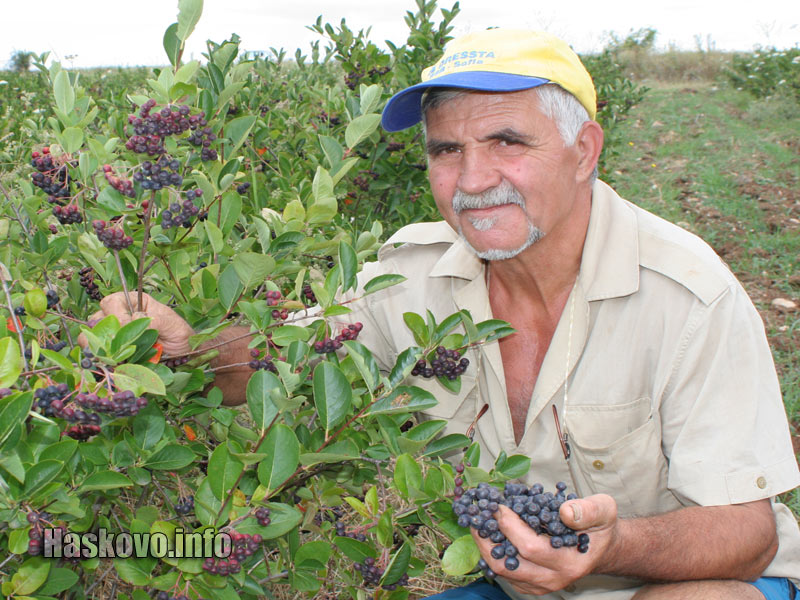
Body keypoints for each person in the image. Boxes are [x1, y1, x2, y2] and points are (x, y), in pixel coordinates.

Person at [89, 29, 799, 600]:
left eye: (507, 143)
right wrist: (181, 354)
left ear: (584, 151)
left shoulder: (687, 294)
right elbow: (283, 359)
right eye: (446, 150)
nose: (473, 180)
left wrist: (616, 548)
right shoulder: (413, 278)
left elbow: (749, 534)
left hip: (681, 579)